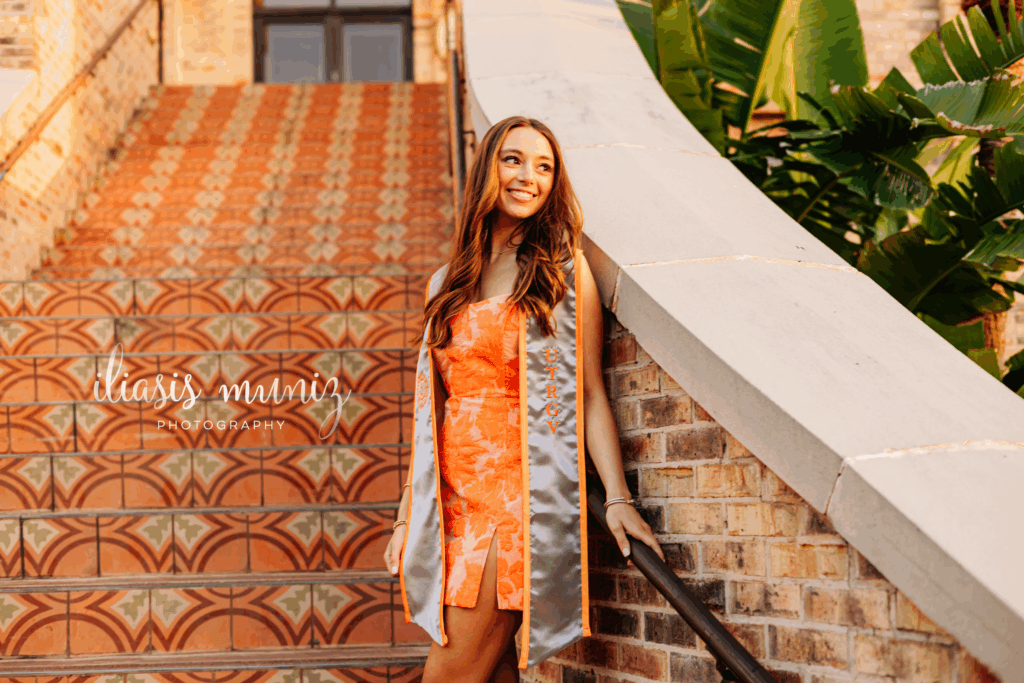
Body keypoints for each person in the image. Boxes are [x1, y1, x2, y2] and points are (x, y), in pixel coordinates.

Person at [382, 116, 665, 683]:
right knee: (487, 672)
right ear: (488, 166)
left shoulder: (559, 273)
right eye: (513, 159)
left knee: (450, 674)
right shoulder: (447, 282)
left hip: (517, 500)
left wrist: (616, 497)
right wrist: (406, 514)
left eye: (544, 166)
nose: (528, 177)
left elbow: (586, 394)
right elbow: (431, 409)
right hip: (451, 505)